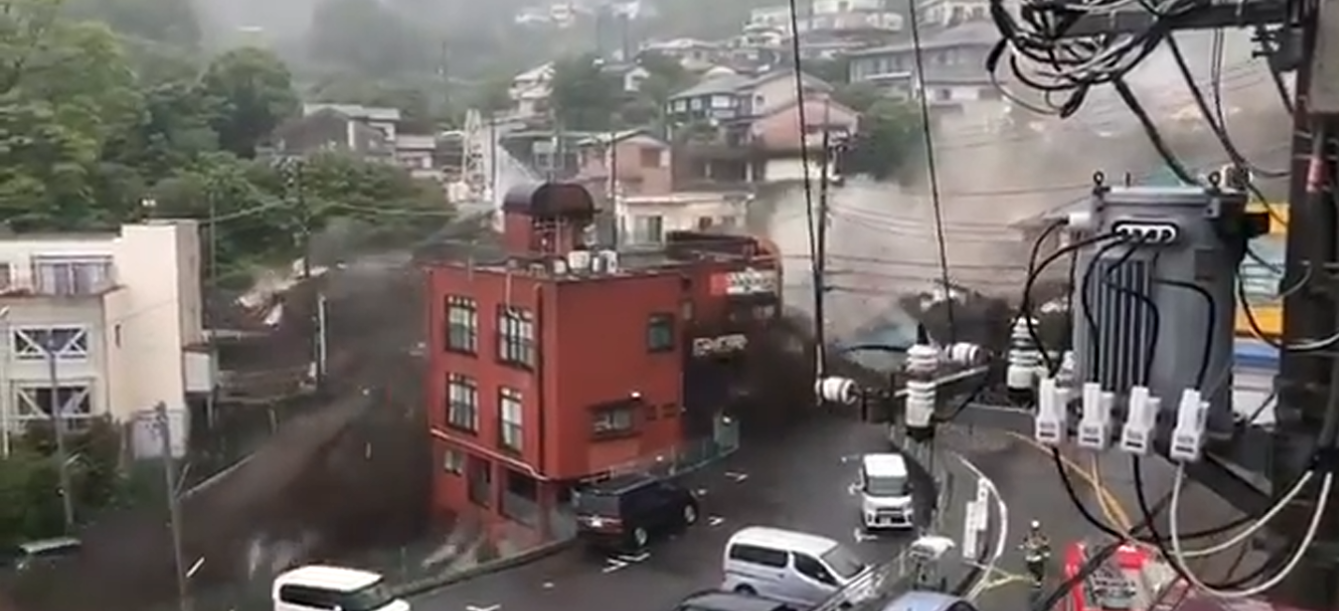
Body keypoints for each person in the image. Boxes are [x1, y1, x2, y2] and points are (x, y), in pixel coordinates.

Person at [1020, 520, 1051, 585]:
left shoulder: (1039, 536)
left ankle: (1037, 579)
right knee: (1035, 569)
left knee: (1037, 570)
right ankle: (1036, 579)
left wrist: (1046, 553)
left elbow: (1045, 544)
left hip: (1035, 556)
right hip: (1032, 557)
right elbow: (1025, 543)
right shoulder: (1032, 536)